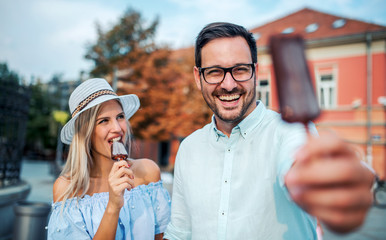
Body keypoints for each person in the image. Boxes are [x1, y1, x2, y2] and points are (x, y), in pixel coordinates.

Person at [164, 22, 375, 239]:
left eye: (240, 70)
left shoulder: (289, 130)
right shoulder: (189, 148)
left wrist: (330, 183)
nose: (228, 84)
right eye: (215, 72)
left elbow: (299, 166)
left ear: (256, 72)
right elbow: (180, 232)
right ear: (198, 78)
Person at [47, 78, 171, 239]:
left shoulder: (148, 172)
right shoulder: (67, 188)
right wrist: (113, 206)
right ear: (86, 133)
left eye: (120, 117)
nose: (117, 128)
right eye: (104, 120)